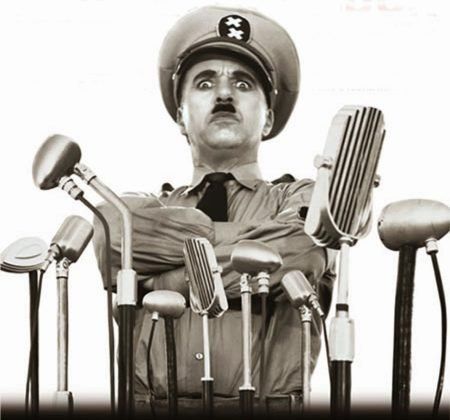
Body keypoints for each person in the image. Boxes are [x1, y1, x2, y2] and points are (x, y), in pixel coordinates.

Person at [93, 5, 335, 416]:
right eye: (205, 83)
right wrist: (249, 247)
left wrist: (162, 276)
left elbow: (301, 250)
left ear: (268, 118)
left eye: (242, 84)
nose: (224, 94)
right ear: (181, 117)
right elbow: (112, 236)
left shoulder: (304, 198)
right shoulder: (134, 207)